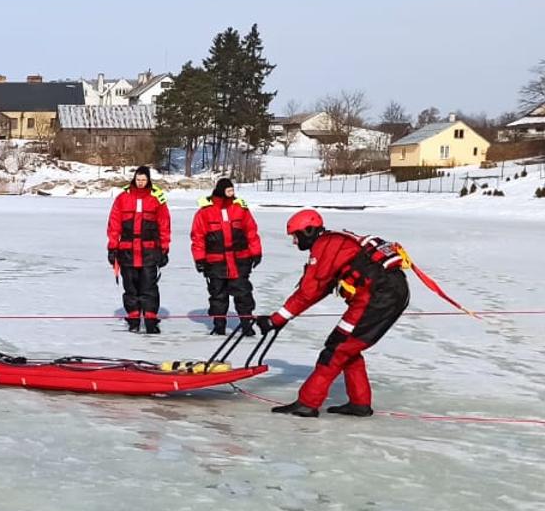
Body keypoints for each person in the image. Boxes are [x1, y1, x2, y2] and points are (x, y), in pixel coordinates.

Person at [255, 209, 411, 418]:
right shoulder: (335, 242)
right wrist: (282, 318)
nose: (294, 241)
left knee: (336, 350)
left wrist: (276, 319)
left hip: (377, 297)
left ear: (308, 231)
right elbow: (321, 288)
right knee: (348, 348)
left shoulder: (325, 247)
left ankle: (307, 404)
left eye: (295, 236)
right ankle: (359, 403)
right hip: (387, 293)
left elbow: (309, 291)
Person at [190, 177, 263, 337]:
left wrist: (256, 252)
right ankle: (219, 326)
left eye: (233, 190)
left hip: (240, 260)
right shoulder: (205, 212)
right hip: (216, 262)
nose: (232, 193)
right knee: (218, 296)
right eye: (229, 190)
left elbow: (251, 232)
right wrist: (199, 259)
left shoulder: (240, 209)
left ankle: (247, 325)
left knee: (243, 294)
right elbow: (198, 237)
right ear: (221, 191)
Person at [107, 165, 172, 334]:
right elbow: (114, 224)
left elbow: (164, 225)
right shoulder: (122, 198)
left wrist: (164, 249)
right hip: (127, 251)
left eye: (144, 179)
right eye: (138, 179)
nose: (141, 182)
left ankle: (150, 320)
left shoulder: (157, 198)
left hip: (149, 252)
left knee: (149, 287)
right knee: (131, 288)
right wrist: (112, 248)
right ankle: (134, 320)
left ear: (148, 180)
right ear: (134, 179)